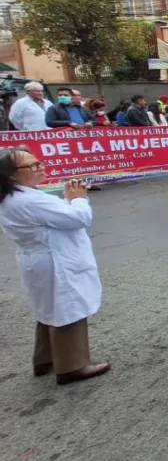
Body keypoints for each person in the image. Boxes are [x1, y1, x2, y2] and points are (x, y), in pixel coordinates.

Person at [0, 147, 111, 385]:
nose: (40, 167)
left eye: (39, 162)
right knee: (68, 310)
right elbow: (78, 218)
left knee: (48, 309)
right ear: (11, 175)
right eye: (32, 166)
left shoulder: (16, 196)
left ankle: (45, 359)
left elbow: (54, 216)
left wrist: (68, 199)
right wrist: (78, 198)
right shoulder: (28, 200)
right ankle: (72, 366)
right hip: (56, 261)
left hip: (40, 260)